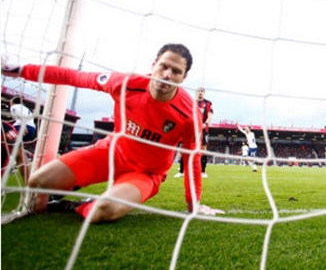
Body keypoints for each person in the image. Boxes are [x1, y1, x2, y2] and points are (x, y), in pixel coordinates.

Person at [1, 43, 224, 222]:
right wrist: (18, 71)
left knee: (103, 210)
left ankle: (82, 203)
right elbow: (73, 77)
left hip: (146, 173)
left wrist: (193, 205)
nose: (167, 75)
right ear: (154, 64)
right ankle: (66, 191)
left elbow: (192, 159)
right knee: (38, 181)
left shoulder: (189, 114)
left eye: (176, 71)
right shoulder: (125, 83)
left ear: (184, 78)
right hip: (110, 153)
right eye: (164, 66)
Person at [176, 87, 212, 178]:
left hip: (203, 129)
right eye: (198, 91)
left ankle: (202, 172)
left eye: (202, 91)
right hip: (191, 129)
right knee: (184, 149)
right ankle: (181, 171)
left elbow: (209, 116)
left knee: (203, 149)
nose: (200, 93)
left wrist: (205, 123)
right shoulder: (191, 102)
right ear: (196, 93)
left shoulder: (208, 103)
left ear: (204, 93)